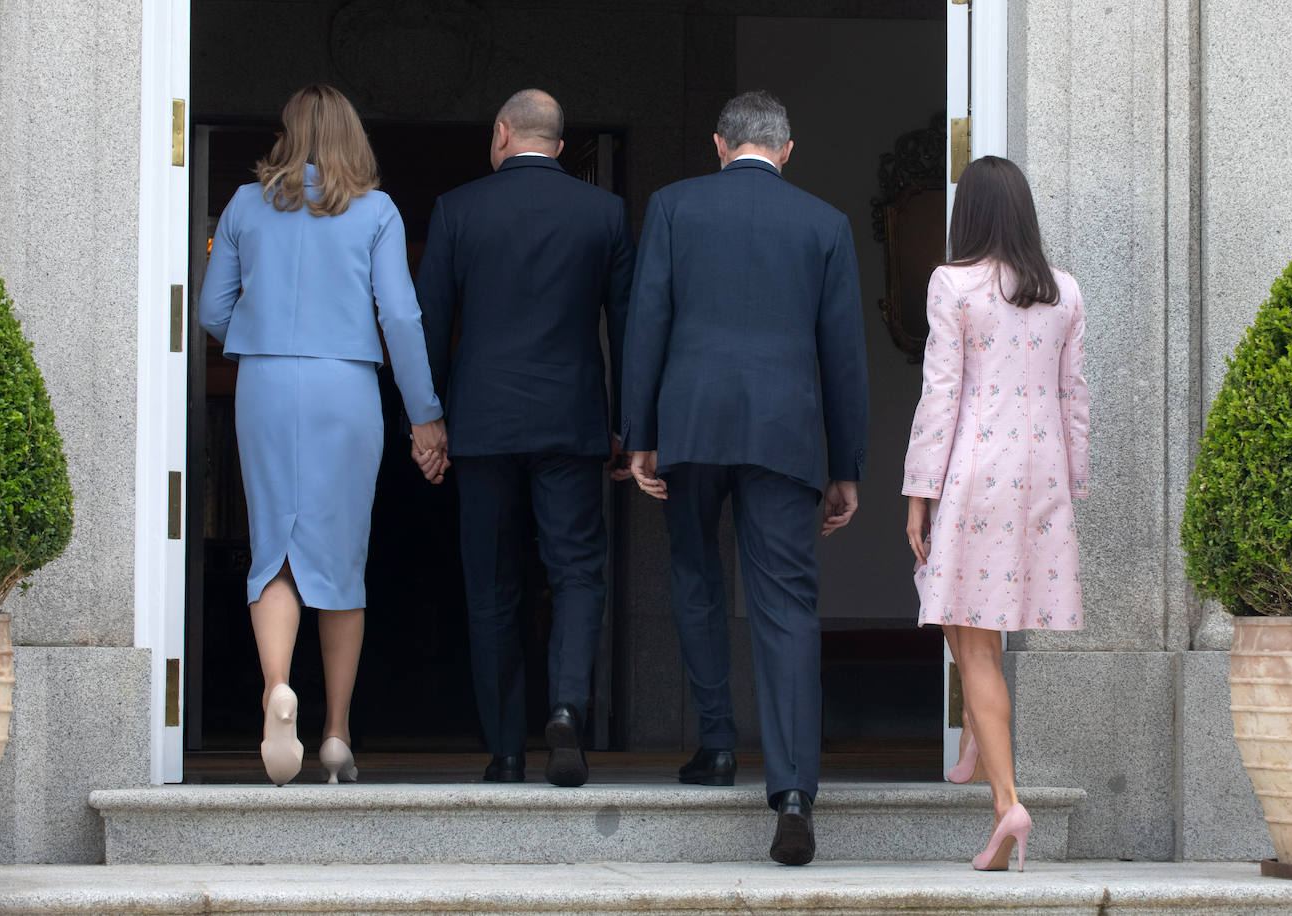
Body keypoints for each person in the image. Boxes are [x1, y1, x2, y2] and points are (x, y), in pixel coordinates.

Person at [622, 90, 869, 865]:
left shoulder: (671, 206)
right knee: (788, 606)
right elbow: (844, 355)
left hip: (691, 425)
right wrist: (847, 466)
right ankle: (793, 790)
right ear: (787, 151)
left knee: (695, 575)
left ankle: (717, 748)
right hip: (786, 434)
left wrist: (640, 435)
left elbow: (647, 320)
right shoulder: (824, 225)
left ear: (721, 144)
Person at [199, 84, 448, 786]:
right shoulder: (377, 210)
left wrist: (261, 332)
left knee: (273, 547)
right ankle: (336, 733)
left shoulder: (246, 205)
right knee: (341, 561)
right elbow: (400, 317)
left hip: (268, 384)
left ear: (287, 133)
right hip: (347, 386)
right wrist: (424, 415)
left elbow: (213, 309)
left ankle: (277, 690)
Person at [414, 89, 634, 788]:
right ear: (561, 146)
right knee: (575, 574)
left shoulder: (458, 209)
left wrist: (430, 421)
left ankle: (505, 747)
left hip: (480, 425)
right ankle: (566, 708)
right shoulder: (603, 212)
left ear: (502, 133)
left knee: (493, 585)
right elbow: (627, 328)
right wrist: (631, 425)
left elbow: (430, 323)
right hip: (571, 422)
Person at [902, 155, 1090, 872]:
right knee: (980, 622)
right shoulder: (1064, 291)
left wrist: (918, 493)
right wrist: (1069, 486)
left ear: (969, 214)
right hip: (1040, 478)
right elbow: (1076, 397)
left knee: (971, 637)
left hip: (975, 472)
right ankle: (982, 744)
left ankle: (1007, 799)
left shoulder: (953, 284)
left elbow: (940, 395)